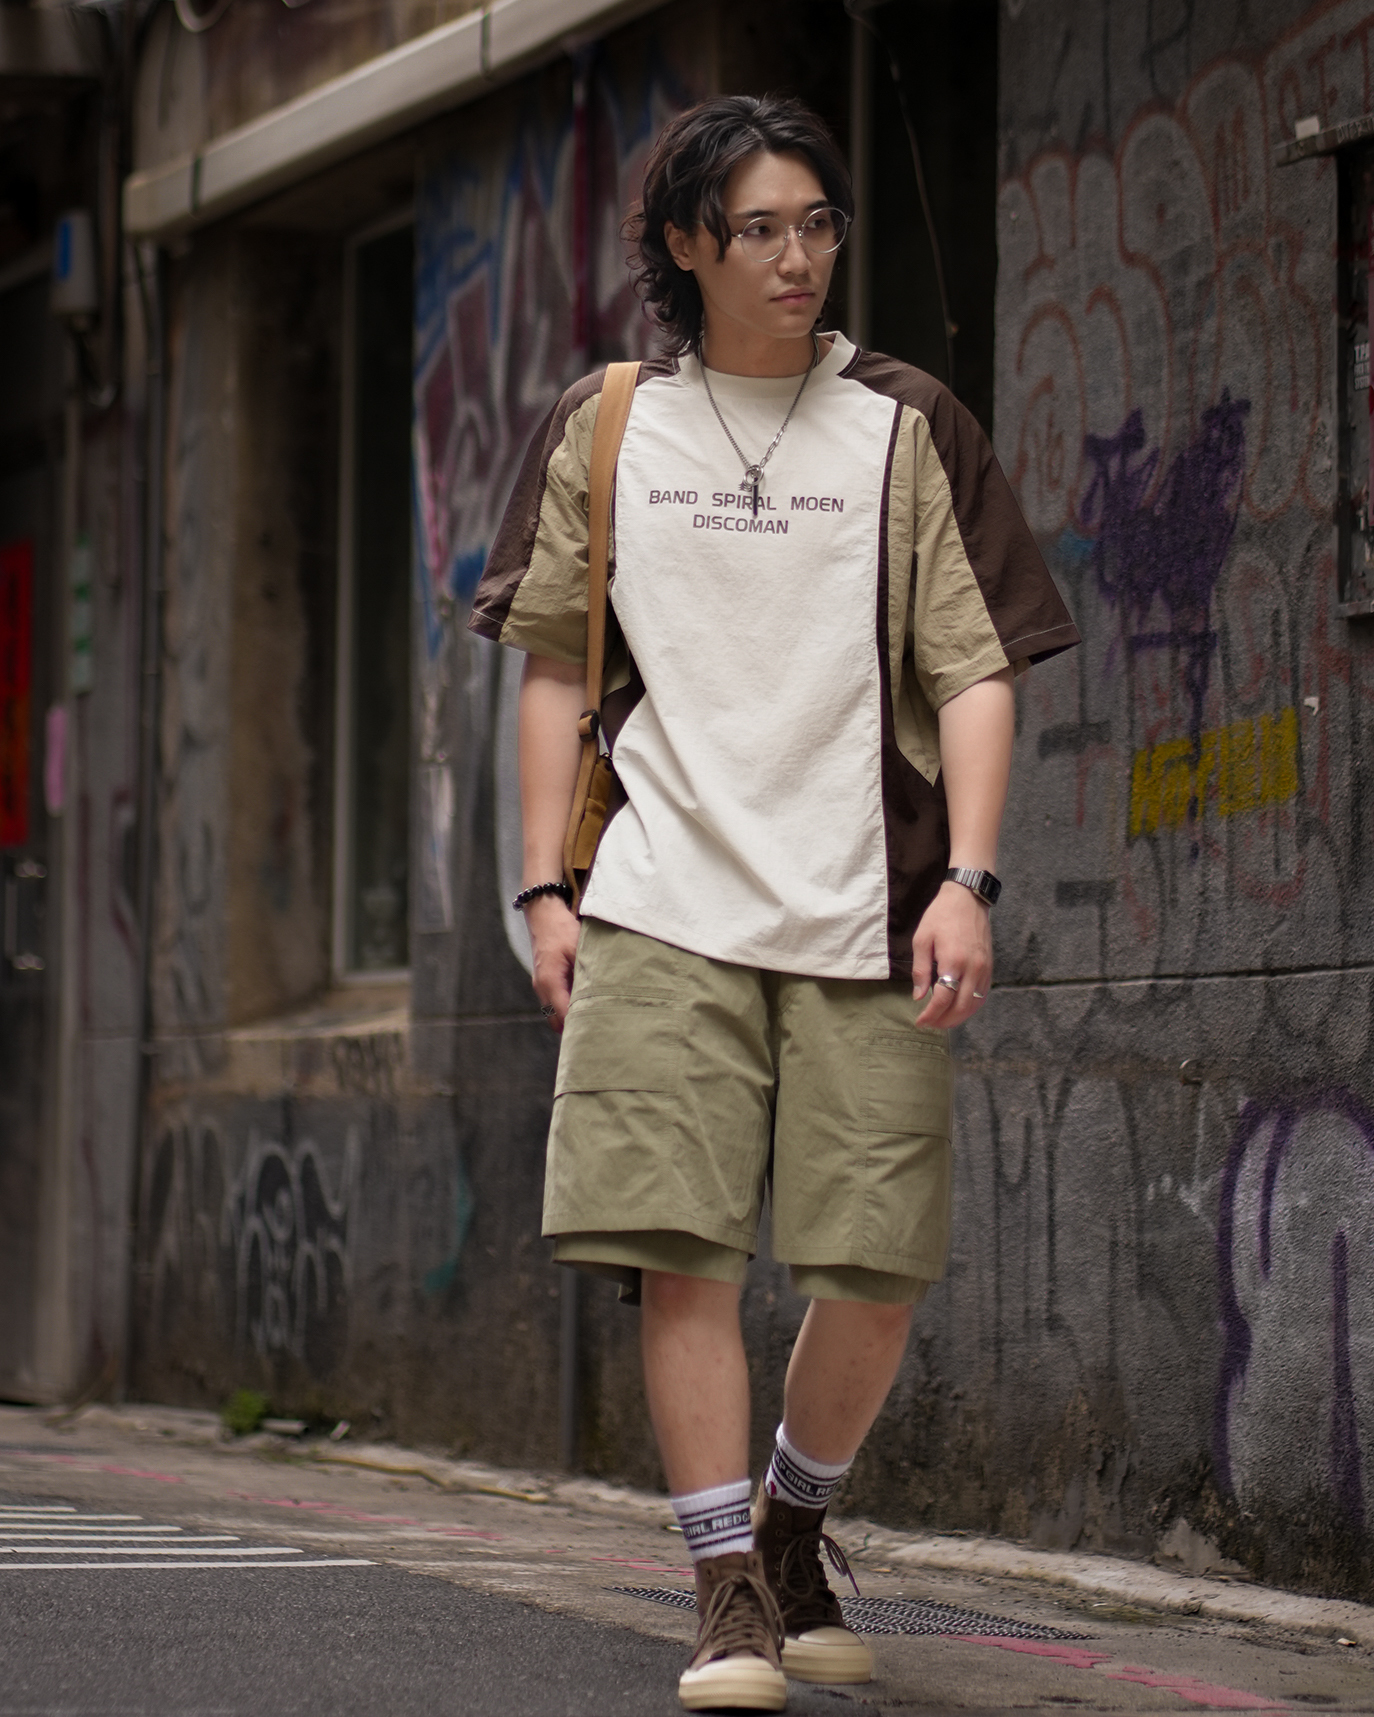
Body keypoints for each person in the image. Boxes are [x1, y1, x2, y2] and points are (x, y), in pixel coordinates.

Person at [469, 94, 1079, 1713]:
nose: (797, 256)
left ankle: (794, 1524)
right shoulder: (610, 424)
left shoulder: (902, 422)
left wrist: (969, 878)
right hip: (659, 898)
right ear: (686, 245)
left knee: (872, 1261)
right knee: (680, 1256)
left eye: (817, 223)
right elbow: (552, 667)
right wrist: (542, 884)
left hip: (867, 903)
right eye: (758, 229)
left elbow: (973, 665)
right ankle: (726, 1588)